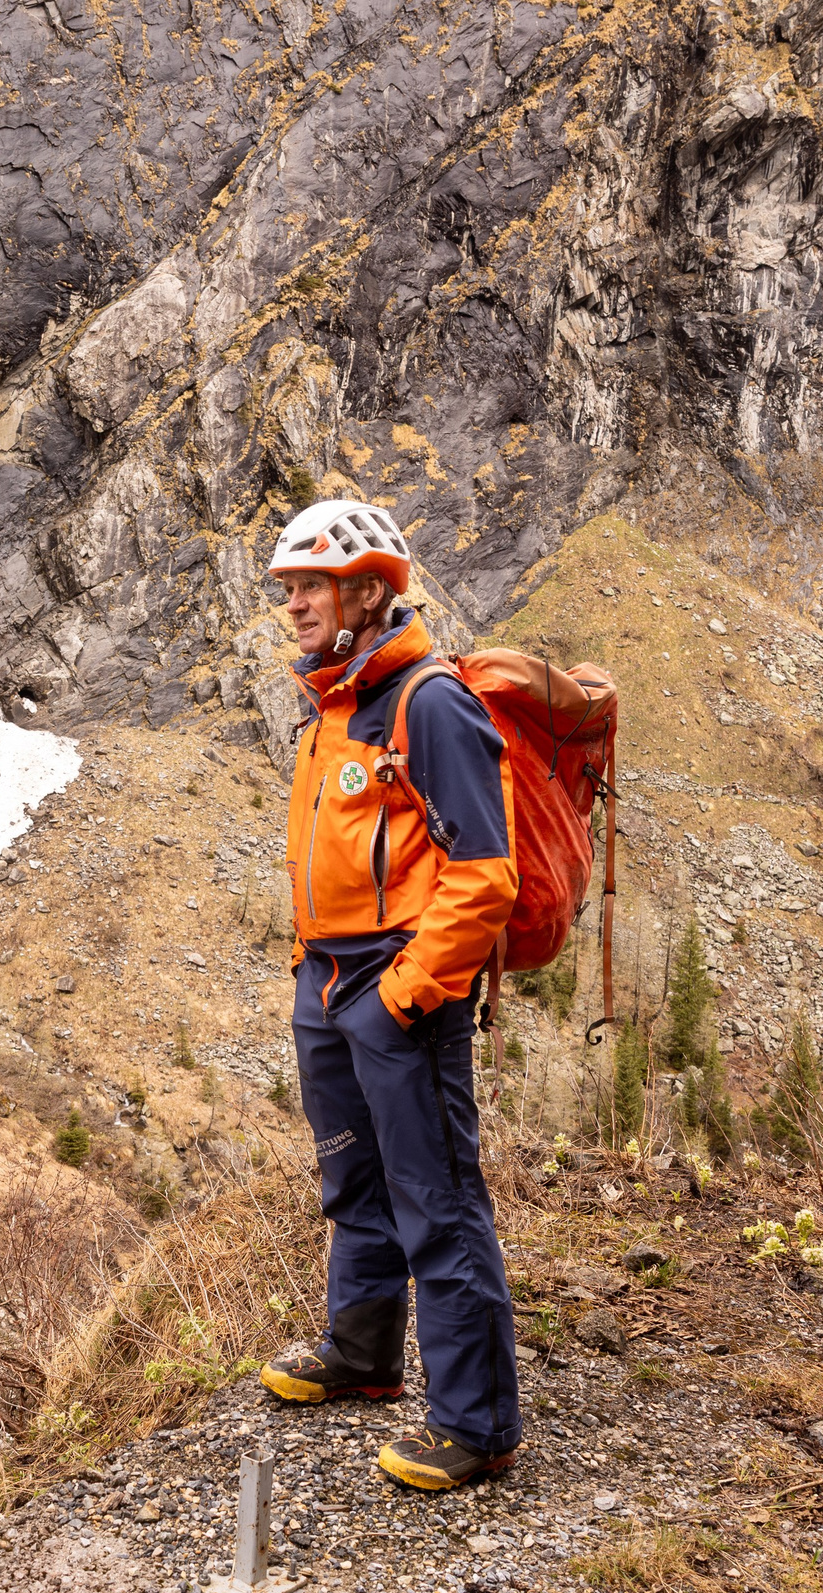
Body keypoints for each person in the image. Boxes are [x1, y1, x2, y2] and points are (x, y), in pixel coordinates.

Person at [257, 498, 524, 1491]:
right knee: (353, 1179)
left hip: (397, 981)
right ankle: (361, 1354)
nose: (295, 606)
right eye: (289, 590)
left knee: (435, 1200)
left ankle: (475, 1425)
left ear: (369, 590)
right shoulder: (328, 706)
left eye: (311, 586)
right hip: (326, 976)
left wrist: (405, 993)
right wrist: (311, 973)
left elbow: (485, 876)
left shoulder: (429, 702)